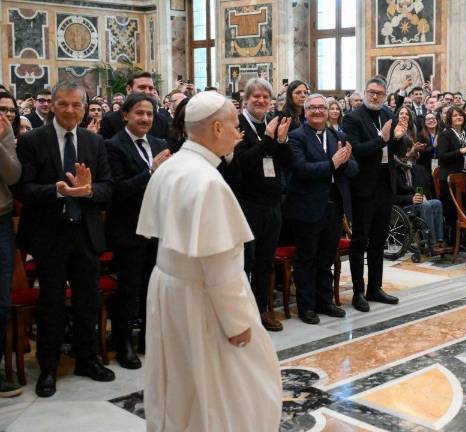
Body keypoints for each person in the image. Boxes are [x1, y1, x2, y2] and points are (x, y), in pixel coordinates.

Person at [137, 91, 282, 431]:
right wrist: (238, 324)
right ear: (217, 128)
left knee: (181, 383)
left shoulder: (171, 164)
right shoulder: (207, 181)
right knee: (229, 386)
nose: (238, 133)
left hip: (169, 288)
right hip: (201, 299)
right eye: (234, 125)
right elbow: (220, 266)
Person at [15, 82, 114, 397]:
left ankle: (86, 359)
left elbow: (108, 187)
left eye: (76, 105)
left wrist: (88, 191)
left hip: (85, 234)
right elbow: (24, 190)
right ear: (52, 106)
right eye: (64, 104)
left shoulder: (94, 142)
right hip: (50, 236)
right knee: (52, 304)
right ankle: (48, 367)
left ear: (84, 108)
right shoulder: (32, 141)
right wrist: (58, 190)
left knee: (88, 300)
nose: (70, 110)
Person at [218, 78, 292, 332]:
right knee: (244, 263)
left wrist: (281, 141)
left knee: (265, 261)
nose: (261, 101)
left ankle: (262, 308)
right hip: (246, 204)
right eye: (256, 96)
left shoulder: (271, 125)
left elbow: (285, 161)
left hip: (272, 203)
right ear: (245, 99)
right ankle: (242, 313)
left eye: (265, 97)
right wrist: (269, 140)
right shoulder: (237, 127)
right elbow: (240, 166)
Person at [105, 93, 171, 369]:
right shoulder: (112, 146)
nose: (145, 119)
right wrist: (152, 172)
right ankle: (124, 344)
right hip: (128, 228)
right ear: (125, 116)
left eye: (149, 114)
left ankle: (148, 338)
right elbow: (117, 190)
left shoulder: (159, 143)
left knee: (151, 288)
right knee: (129, 289)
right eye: (139, 114)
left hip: (157, 227)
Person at [284, 94, 358, 324]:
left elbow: (354, 169)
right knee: (307, 259)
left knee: (327, 257)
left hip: (334, 206)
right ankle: (307, 306)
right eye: (313, 108)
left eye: (321, 108)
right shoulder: (296, 138)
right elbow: (301, 169)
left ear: (327, 112)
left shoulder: (338, 135)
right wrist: (332, 164)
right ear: (305, 112)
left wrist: (344, 162)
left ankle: (324, 301)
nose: (317, 111)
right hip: (306, 206)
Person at [343, 76, 405, 313]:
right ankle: (358, 291)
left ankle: (375, 288)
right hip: (363, 188)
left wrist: (399, 138)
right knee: (360, 241)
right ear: (365, 92)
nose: (375, 96)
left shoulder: (388, 114)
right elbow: (355, 151)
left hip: (385, 186)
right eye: (371, 92)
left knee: (380, 240)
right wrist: (381, 140)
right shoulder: (352, 118)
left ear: (384, 94)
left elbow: (396, 149)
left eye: (379, 93)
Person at [0, 96, 23, 398]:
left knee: (2, 302)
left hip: (1, 220)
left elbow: (13, 175)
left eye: (9, 111)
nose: (4, 116)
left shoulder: (5, 134)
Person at [438, 106, 466, 244]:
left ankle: (465, 240)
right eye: (455, 115)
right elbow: (443, 156)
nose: (459, 117)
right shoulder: (446, 134)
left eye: (460, 115)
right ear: (449, 119)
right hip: (450, 179)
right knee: (452, 211)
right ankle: (452, 242)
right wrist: (461, 151)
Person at [100, 72, 169, 140]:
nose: (148, 92)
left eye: (150, 88)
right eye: (142, 87)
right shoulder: (110, 120)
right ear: (129, 89)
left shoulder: (162, 121)